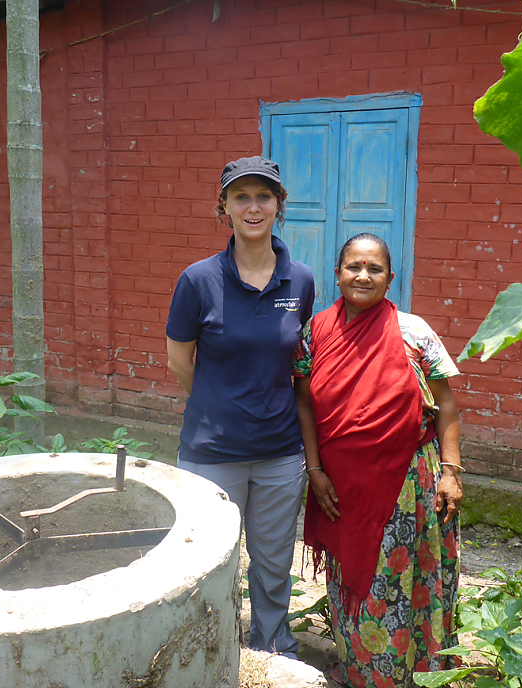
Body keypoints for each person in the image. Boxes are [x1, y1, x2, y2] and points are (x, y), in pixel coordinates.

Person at [292, 233, 461, 688]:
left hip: (409, 486)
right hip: (341, 490)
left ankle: (418, 676)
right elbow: (305, 404)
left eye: (375, 269)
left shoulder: (414, 332)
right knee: (357, 589)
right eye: (353, 267)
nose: (363, 276)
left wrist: (451, 472)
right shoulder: (315, 333)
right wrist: (315, 470)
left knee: (409, 583)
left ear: (390, 278)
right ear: (337, 274)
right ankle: (361, 673)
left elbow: (446, 405)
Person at [165, 156, 316, 657]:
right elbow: (179, 361)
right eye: (241, 197)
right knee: (209, 559)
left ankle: (272, 648)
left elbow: (297, 360)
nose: (254, 207)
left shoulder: (301, 281)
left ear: (279, 206)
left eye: (264, 197)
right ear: (224, 207)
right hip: (211, 451)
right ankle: (210, 651)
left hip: (279, 451)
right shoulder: (198, 280)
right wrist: (218, 403)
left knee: (273, 561)